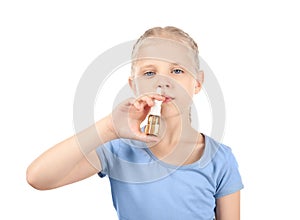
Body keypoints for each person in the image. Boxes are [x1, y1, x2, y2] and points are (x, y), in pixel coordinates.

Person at [27, 26, 243, 220]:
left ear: (197, 82)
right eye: (149, 73)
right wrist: (109, 128)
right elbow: (38, 177)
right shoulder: (118, 149)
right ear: (134, 85)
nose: (163, 82)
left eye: (177, 70)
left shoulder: (220, 159)